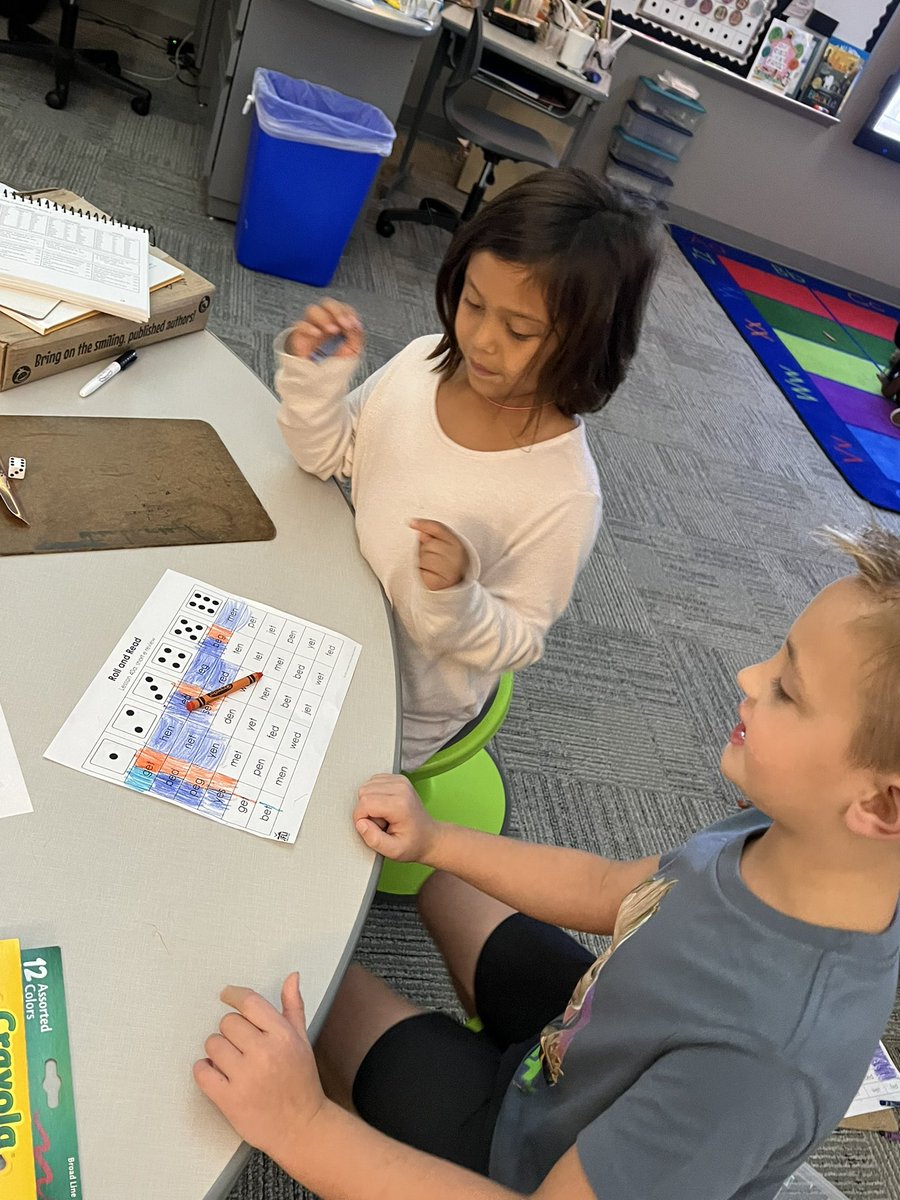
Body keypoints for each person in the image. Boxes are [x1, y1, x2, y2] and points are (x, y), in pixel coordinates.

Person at [194, 524, 900, 1200]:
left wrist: (302, 1125)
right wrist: (435, 839)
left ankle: (389, 1124)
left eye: (787, 690)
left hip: (530, 1170)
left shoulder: (757, 1068)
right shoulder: (795, 829)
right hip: (587, 1043)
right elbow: (611, 888)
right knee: (446, 885)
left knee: (304, 991)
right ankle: (451, 1074)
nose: (748, 675)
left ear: (882, 805)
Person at [273, 168, 662, 769]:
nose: (480, 340)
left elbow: (518, 641)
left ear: (588, 343)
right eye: (474, 303)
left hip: (399, 707)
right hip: (331, 615)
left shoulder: (564, 496)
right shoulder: (421, 362)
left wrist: (456, 598)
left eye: (520, 330)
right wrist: (313, 383)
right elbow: (326, 455)